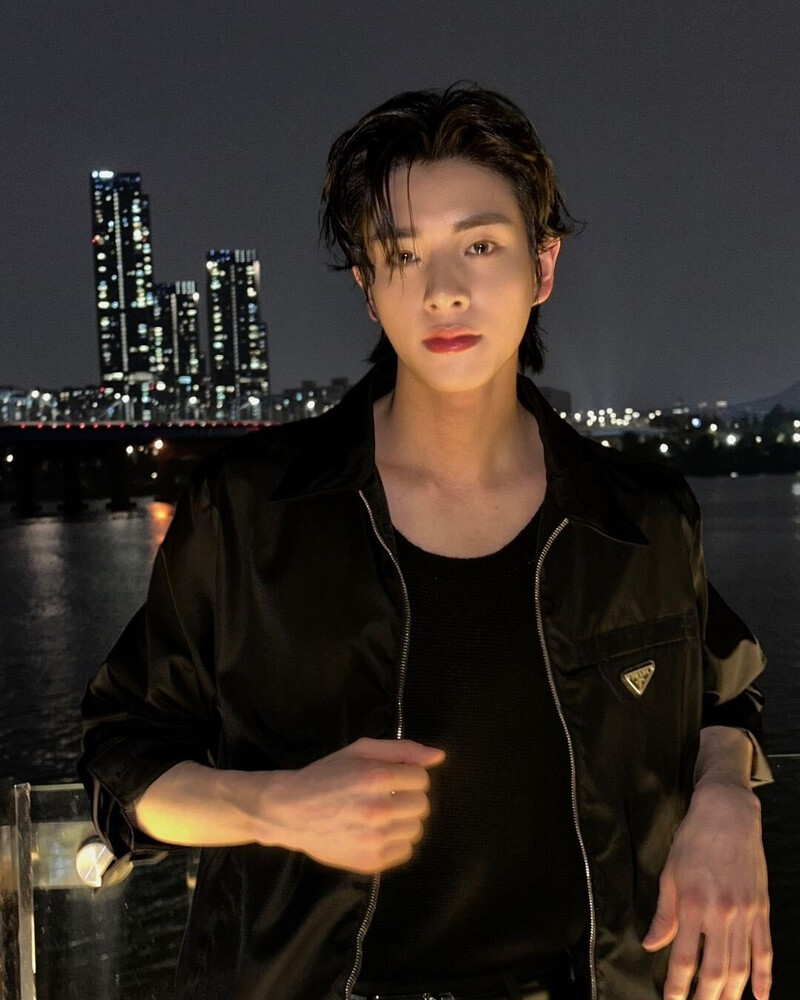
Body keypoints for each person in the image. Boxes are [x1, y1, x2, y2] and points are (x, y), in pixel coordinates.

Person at [78, 81, 773, 1000]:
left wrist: (726, 798)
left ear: (543, 265)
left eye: (480, 245)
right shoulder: (248, 512)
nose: (444, 291)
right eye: (403, 255)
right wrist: (276, 807)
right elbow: (120, 754)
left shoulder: (641, 520)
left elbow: (722, 689)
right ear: (367, 287)